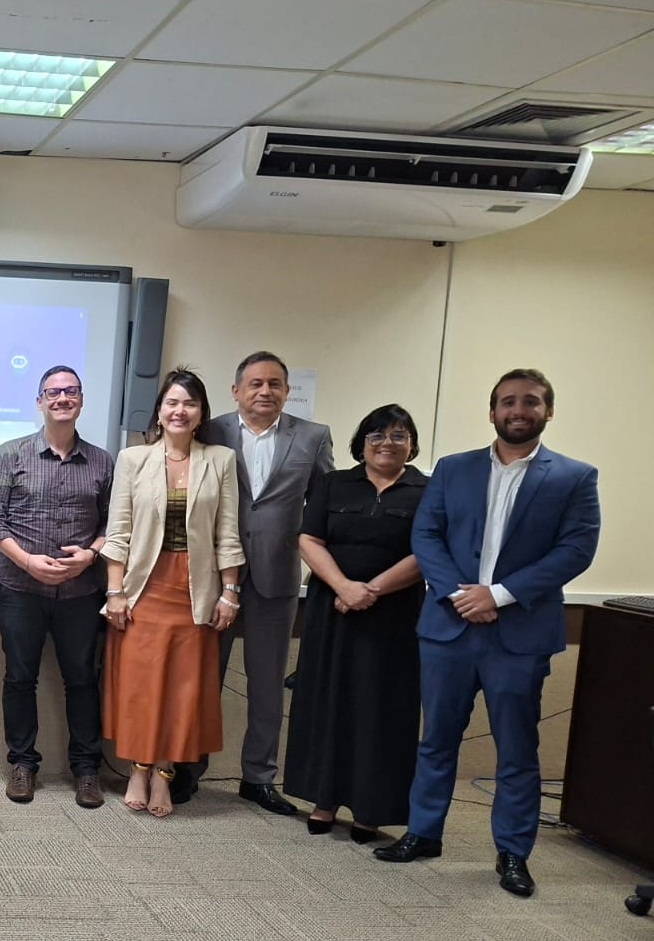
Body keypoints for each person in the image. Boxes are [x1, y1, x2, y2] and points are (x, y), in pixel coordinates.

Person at [376, 370, 599, 898]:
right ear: (492, 410)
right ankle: (424, 832)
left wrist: (496, 595)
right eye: (507, 402)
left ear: (548, 410)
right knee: (436, 740)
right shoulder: (453, 470)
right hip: (449, 629)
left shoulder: (573, 476)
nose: (518, 409)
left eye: (531, 401)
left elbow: (576, 550)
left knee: (517, 749)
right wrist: (462, 593)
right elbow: (426, 534)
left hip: (518, 635)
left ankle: (513, 853)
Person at [177, 351, 333, 812]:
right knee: (203, 679)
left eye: (275, 384)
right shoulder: (212, 429)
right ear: (236, 390)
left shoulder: (313, 436)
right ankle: (189, 769)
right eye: (256, 383)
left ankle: (259, 777)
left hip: (277, 576)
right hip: (211, 574)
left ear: (286, 391)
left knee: (267, 685)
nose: (265, 391)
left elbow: (323, 509)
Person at [99, 368, 243, 818]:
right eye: (172, 403)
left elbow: (228, 533)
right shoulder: (132, 459)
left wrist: (230, 592)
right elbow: (118, 531)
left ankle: (164, 775)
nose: (180, 411)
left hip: (195, 590)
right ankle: (137, 770)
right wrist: (115, 591)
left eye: (190, 404)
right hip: (144, 588)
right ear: (159, 412)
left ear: (201, 414)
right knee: (143, 687)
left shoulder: (220, 459)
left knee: (181, 690)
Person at [283, 405, 427, 842]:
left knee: (382, 710)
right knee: (329, 701)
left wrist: (373, 590)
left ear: (412, 445)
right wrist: (345, 587)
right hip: (333, 612)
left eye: (399, 435)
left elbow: (430, 551)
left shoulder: (429, 489)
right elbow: (308, 538)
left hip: (395, 619)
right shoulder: (333, 483)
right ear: (361, 443)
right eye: (377, 435)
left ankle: (371, 809)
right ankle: (323, 800)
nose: (387, 443)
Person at [0, 364, 113, 808]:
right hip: (20, 589)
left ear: (81, 400)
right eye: (52, 392)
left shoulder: (101, 461)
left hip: (80, 593)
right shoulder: (10, 455)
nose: (62, 398)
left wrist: (90, 555)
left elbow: (114, 525)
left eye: (70, 391)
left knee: (82, 680)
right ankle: (23, 765)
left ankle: (87, 770)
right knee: (20, 678)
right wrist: (28, 562)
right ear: (39, 401)